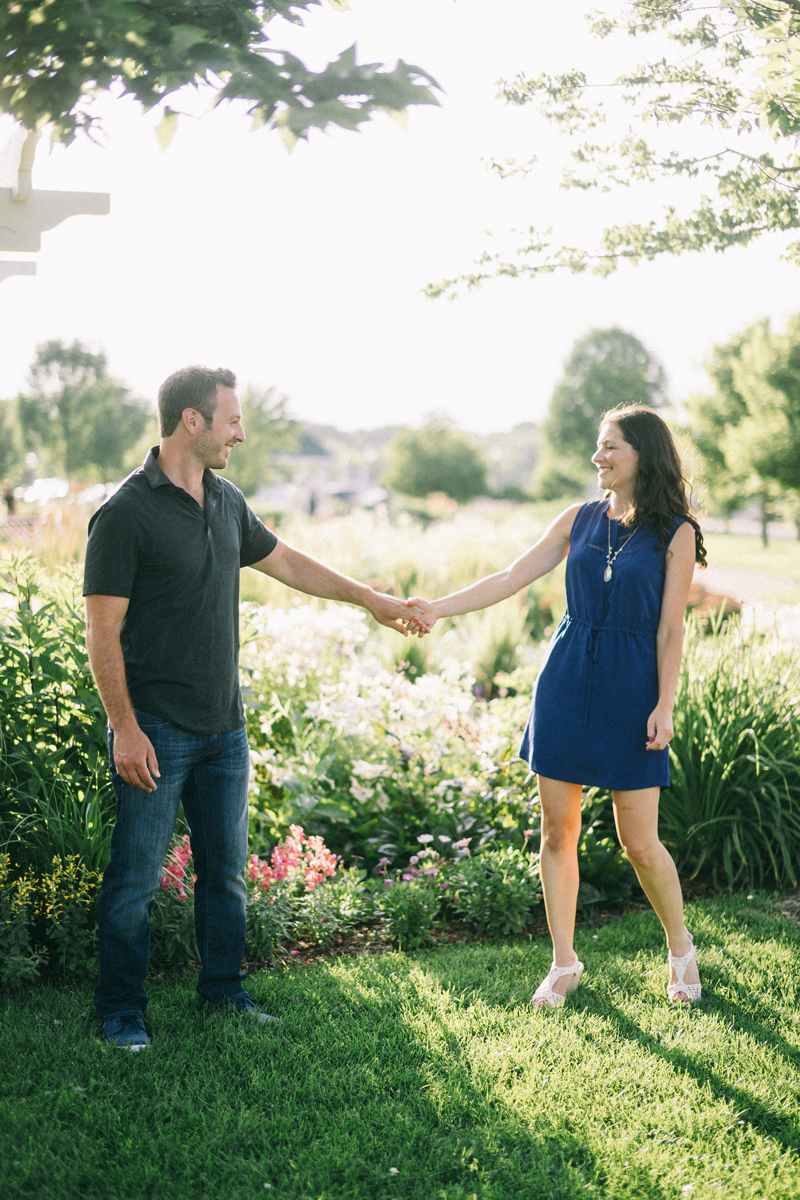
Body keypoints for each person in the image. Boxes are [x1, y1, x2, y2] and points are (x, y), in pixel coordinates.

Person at [84, 365, 424, 1049]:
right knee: (133, 883)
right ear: (192, 420)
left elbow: (291, 564)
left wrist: (373, 600)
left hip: (224, 730)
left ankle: (223, 990)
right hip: (154, 730)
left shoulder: (225, 499)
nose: (241, 431)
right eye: (232, 419)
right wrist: (125, 727)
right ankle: (120, 1010)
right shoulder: (125, 514)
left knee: (227, 877)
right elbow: (102, 630)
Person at [406, 405, 705, 1008]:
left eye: (610, 447)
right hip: (567, 681)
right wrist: (438, 606)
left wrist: (664, 704)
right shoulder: (578, 519)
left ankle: (681, 950)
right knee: (555, 830)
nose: (598, 457)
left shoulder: (676, 533)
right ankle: (564, 962)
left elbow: (671, 629)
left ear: (643, 454)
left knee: (639, 842)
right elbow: (511, 576)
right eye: (598, 446)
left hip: (633, 688)